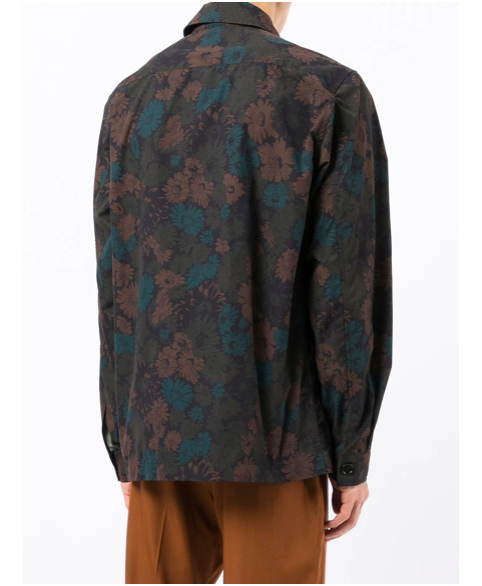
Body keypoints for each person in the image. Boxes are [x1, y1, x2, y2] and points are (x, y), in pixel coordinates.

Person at [93, 2, 392, 583]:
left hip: (159, 436)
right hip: (278, 441)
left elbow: (117, 286)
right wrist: (351, 453)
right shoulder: (326, 90)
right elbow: (345, 292)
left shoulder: (131, 96)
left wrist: (125, 442)